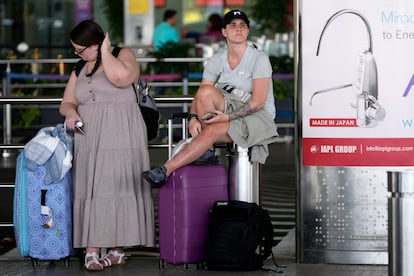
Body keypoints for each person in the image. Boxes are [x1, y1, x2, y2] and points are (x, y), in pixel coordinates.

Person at [143, 10, 279, 187]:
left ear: (247, 30)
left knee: (211, 131)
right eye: (233, 25)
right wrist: (193, 119)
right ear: (224, 31)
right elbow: (201, 94)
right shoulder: (217, 60)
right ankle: (206, 149)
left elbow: (259, 102)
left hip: (257, 116)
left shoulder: (259, 58)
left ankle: (166, 169)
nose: (238, 29)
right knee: (206, 91)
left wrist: (227, 117)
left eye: (242, 25)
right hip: (229, 110)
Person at [59, 20, 154, 271]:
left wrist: (105, 52)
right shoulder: (80, 66)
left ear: (97, 43)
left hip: (121, 133)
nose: (77, 54)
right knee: (92, 189)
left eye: (81, 49)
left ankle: (109, 249)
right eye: (75, 49)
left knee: (115, 188)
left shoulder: (123, 55)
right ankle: (100, 249)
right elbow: (67, 101)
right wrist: (70, 113)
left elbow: (121, 78)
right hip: (89, 136)